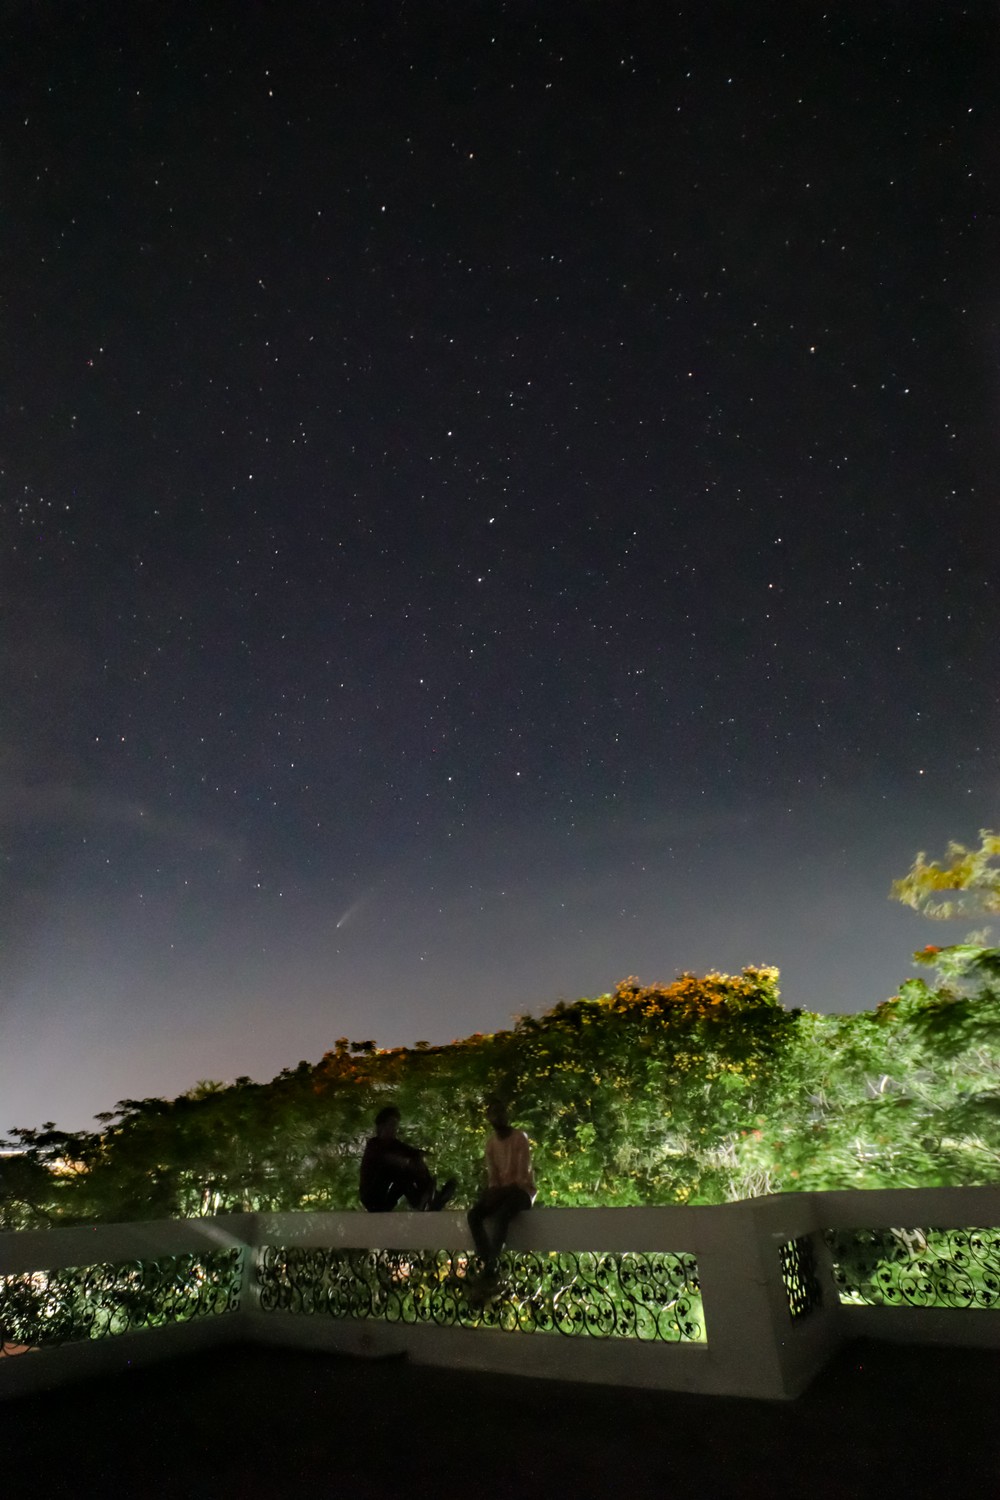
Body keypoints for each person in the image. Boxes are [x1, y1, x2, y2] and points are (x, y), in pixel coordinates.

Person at [466, 1097, 535, 1292]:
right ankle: (488, 1263)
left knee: (502, 1215)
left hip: (521, 1193)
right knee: (474, 1215)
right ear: (489, 1118)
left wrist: (499, 1192)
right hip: (502, 1192)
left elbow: (522, 1178)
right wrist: (492, 1192)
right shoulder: (491, 1144)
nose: (499, 1117)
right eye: (494, 1113)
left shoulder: (520, 1138)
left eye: (501, 1112)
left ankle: (492, 1265)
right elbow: (493, 1177)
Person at [359, 1106, 456, 1213]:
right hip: (372, 1200)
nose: (394, 1129)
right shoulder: (374, 1145)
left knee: (410, 1166)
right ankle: (420, 1200)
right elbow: (389, 1159)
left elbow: (412, 1153)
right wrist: (408, 1163)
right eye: (391, 1125)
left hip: (386, 1201)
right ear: (381, 1127)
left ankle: (429, 1197)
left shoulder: (395, 1144)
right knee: (397, 1170)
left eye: (395, 1126)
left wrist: (420, 1159)